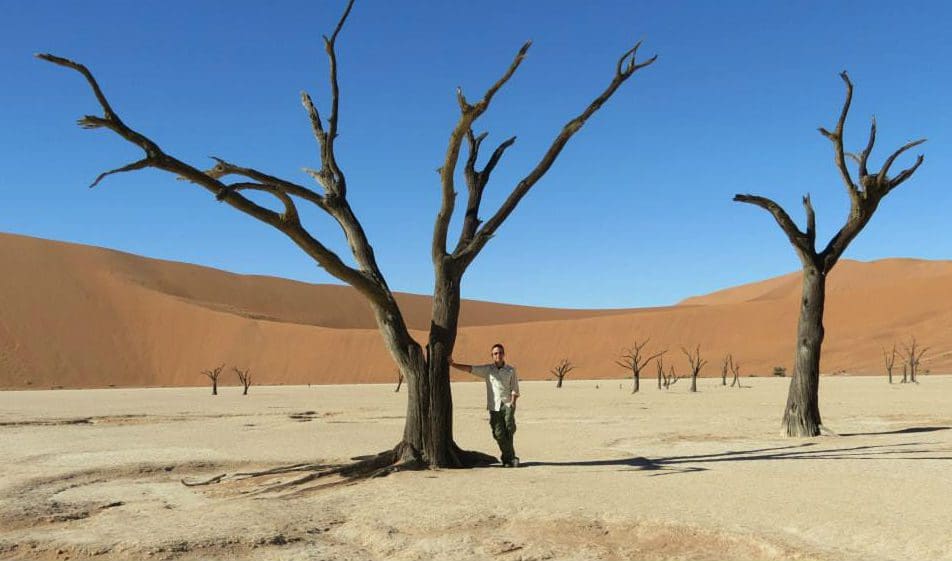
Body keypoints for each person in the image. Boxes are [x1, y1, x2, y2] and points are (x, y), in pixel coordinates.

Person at [450, 343, 521, 467]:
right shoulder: (488, 370)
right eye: (495, 353)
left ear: (504, 354)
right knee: (499, 433)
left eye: (500, 353)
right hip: (494, 406)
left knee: (509, 429)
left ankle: (509, 459)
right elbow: (470, 369)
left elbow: (515, 387)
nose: (498, 355)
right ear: (492, 356)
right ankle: (509, 458)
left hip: (508, 403)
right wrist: (453, 364)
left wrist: (513, 403)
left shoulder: (511, 370)